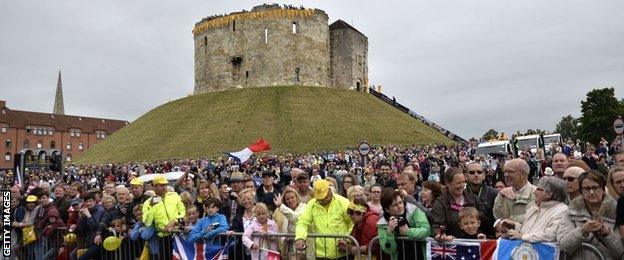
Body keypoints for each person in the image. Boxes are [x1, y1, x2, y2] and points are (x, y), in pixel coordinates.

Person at [560, 171, 622, 260]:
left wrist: (607, 234)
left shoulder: (616, 212)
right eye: (587, 188)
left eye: (595, 188)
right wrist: (582, 230)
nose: (592, 192)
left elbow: (620, 253)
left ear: (603, 190)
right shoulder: (571, 212)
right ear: (581, 192)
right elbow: (564, 246)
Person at [295, 179, 352, 259]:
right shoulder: (312, 204)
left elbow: (352, 223)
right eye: (319, 199)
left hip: (342, 253)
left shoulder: (343, 202)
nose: (322, 201)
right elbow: (302, 222)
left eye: (325, 197)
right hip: (321, 254)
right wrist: (300, 238)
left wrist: (347, 240)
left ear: (329, 191)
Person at [503, 177, 568, 242]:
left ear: (549, 194)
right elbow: (529, 231)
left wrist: (522, 236)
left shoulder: (561, 211)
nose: (534, 192)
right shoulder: (534, 208)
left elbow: (550, 235)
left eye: (538, 189)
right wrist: (514, 225)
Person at [431, 167, 489, 240]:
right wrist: (440, 235)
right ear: (448, 183)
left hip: (474, 243)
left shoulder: (472, 198)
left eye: (463, 182)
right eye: (458, 183)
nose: (462, 186)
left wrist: (470, 215)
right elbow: (437, 225)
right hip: (452, 245)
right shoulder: (441, 202)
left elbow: (484, 217)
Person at [377, 188, 430, 260]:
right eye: (395, 205)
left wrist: (408, 232)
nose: (400, 206)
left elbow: (426, 230)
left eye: (400, 202)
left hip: (420, 255)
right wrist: (389, 233)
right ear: (387, 209)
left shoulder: (414, 211)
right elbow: (388, 249)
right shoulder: (383, 223)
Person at [141, 175, 186, 259]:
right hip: (163, 236)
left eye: (165, 185)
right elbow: (147, 222)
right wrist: (152, 207)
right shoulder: (148, 203)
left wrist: (174, 221)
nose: (164, 187)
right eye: (161, 185)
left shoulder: (174, 196)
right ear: (154, 187)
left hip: (179, 232)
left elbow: (183, 211)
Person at [493, 159, 536, 224]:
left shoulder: (535, 193)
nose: (506, 175)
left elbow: (530, 218)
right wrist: (500, 197)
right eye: (505, 172)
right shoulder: (504, 193)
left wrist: (507, 220)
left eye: (510, 172)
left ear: (522, 174)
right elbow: (497, 216)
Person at [273, 186, 307, 259]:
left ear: (297, 197)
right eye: (287, 199)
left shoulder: (304, 207)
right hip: (289, 248)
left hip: (303, 247)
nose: (290, 200)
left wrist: (280, 206)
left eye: (292, 197)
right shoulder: (282, 210)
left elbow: (295, 218)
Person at [464, 162, 498, 229]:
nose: (476, 175)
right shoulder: (461, 194)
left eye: (479, 172)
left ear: (484, 176)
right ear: (466, 176)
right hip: (467, 236)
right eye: (472, 172)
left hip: (489, 235)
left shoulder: (494, 193)